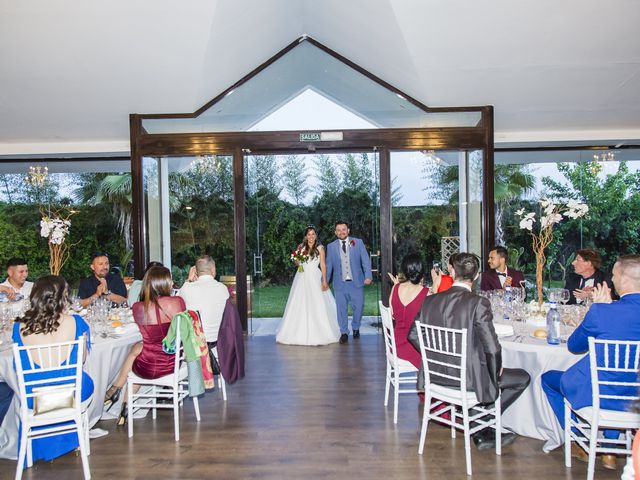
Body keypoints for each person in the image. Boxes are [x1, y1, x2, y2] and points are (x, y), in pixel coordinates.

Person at [408, 252, 531, 450]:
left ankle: (480, 424)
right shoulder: (478, 303)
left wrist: (433, 359)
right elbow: (492, 348)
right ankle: (480, 421)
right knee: (522, 377)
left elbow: (413, 335)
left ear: (453, 272)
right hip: (467, 379)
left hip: (436, 377)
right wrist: (495, 370)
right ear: (476, 276)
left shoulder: (430, 301)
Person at [541, 254, 640, 471]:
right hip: (635, 395)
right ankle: (609, 450)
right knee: (620, 382)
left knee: (548, 379)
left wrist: (601, 308)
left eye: (614, 275)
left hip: (598, 391)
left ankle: (579, 442)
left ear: (624, 279)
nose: (611, 281)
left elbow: (574, 346)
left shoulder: (602, 311)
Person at [12, 275, 94, 463]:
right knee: (86, 380)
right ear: (63, 297)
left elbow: (18, 369)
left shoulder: (19, 327)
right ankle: (73, 438)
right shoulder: (76, 322)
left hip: (36, 398)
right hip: (69, 393)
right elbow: (81, 361)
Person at [104, 266, 186, 425]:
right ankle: (119, 397)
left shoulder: (138, 308)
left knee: (138, 352)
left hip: (148, 367)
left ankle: (121, 400)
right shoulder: (177, 302)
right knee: (139, 348)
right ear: (165, 283)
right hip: (172, 362)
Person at [276, 226, 341, 346]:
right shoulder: (301, 247)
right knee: (299, 302)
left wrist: (325, 280)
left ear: (316, 235)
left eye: (313, 234)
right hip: (301, 276)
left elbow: (323, 264)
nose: (311, 236)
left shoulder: (320, 248)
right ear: (306, 236)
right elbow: (297, 263)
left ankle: (322, 331)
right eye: (309, 234)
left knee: (318, 302)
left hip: (315, 277)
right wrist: (297, 259)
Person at [388, 254, 451, 369]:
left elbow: (393, 315)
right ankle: (428, 383)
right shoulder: (426, 293)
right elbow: (440, 315)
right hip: (415, 347)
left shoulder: (395, 288)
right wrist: (437, 280)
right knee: (443, 357)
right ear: (422, 271)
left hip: (395, 345)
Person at [325, 221, 373, 344]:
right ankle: (344, 332)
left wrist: (368, 275)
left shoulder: (358, 242)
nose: (342, 232)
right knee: (341, 309)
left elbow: (365, 261)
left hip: (356, 282)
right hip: (339, 283)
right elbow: (329, 265)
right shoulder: (331, 246)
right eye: (339, 230)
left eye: (344, 229)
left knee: (358, 307)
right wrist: (325, 280)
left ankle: (356, 327)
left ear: (348, 230)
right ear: (336, 233)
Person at [178, 255, 229, 345]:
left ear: (195, 272)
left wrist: (189, 280)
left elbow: (176, 302)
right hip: (217, 344)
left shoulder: (187, 289)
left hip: (194, 346)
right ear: (213, 270)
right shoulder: (223, 289)